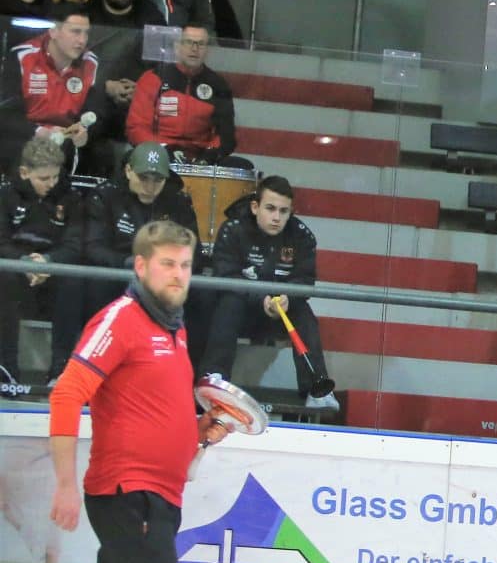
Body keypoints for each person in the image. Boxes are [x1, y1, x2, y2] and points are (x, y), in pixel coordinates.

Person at [25, 217, 245, 563]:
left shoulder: (172, 329)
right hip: (128, 495)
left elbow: (153, 415)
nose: (178, 275)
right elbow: (70, 391)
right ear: (141, 266)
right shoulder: (120, 320)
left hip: (155, 497)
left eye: (185, 266)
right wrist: (65, 483)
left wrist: (199, 430)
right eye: (167, 264)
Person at [196, 176, 337, 409]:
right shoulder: (233, 229)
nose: (277, 217)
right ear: (255, 207)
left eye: (284, 211)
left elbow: (305, 280)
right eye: (270, 208)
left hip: (281, 312)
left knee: (303, 313)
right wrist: (260, 299)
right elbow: (225, 275)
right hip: (240, 311)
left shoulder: (302, 236)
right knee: (228, 302)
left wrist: (287, 299)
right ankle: (215, 379)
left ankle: (317, 389)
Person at [52, 142, 195, 372]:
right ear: (128, 170)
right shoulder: (105, 195)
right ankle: (66, 368)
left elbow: (189, 247)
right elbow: (93, 247)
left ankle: (180, 375)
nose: (150, 186)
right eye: (143, 177)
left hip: (158, 279)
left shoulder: (177, 203)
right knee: (80, 283)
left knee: (194, 295)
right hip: (112, 273)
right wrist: (128, 264)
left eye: (157, 180)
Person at [0, 134, 82, 385]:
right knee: (3, 279)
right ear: (25, 172)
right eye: (44, 178)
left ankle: (60, 371)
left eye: (55, 177)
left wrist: (48, 261)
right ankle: (7, 368)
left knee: (74, 283)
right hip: (15, 268)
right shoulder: (5, 196)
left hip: (51, 269)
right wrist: (24, 262)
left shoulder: (70, 198)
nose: (51, 184)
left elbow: (75, 244)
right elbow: (1, 241)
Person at [0, 4, 111, 170]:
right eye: (75, 31)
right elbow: (5, 112)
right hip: (28, 134)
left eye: (86, 33)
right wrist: (39, 132)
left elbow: (98, 112)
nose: (82, 40)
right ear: (53, 31)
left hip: (67, 137)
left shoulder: (91, 63)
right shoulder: (22, 57)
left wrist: (86, 131)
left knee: (102, 152)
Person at [127, 21, 240, 163]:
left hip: (200, 158)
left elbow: (226, 135)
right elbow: (136, 128)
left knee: (241, 164)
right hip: (157, 154)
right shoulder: (153, 78)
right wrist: (162, 150)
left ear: (207, 50)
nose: (194, 49)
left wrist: (208, 156)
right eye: (188, 42)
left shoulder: (218, 85)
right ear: (177, 46)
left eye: (201, 44)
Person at [84, 0, 165, 113]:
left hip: (140, 100)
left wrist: (143, 88)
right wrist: (104, 86)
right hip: (94, 97)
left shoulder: (151, 16)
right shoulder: (85, 16)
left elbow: (162, 65)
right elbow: (72, 67)